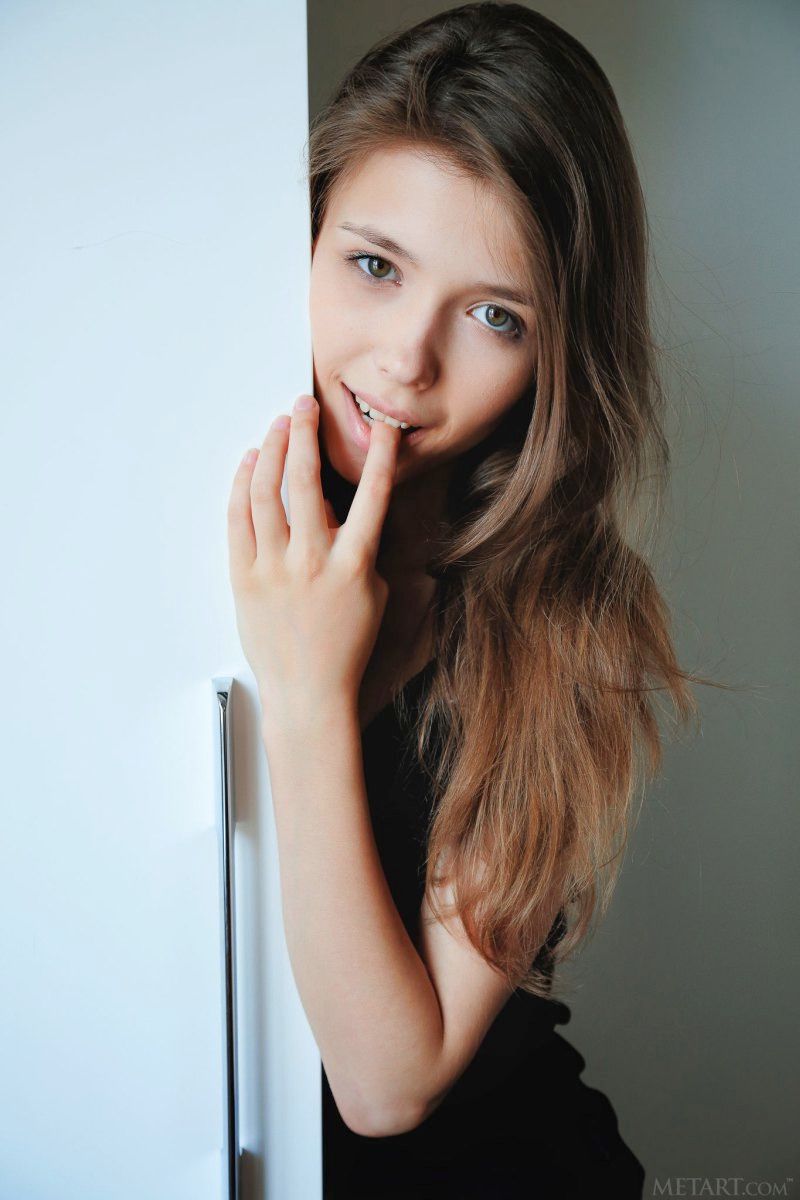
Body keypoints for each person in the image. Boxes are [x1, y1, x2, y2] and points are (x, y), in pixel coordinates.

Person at [228, 3, 705, 1194]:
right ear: (304, 235)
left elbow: (388, 1086)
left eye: (494, 315)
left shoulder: (568, 619)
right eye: (373, 266)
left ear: (556, 354)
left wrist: (307, 691)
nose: (405, 358)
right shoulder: (206, 486)